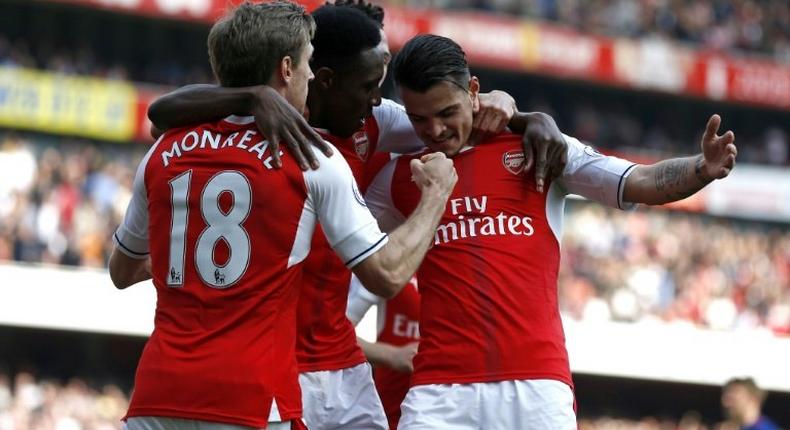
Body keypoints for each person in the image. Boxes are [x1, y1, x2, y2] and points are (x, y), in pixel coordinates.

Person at [145, 3, 567, 429]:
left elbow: (458, 117)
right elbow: (160, 112)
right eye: (368, 84)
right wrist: (251, 98)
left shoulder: (374, 122)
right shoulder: (268, 131)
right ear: (323, 78)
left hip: (341, 363)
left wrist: (526, 115)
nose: (377, 98)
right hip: (281, 366)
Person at [107, 4, 457, 429]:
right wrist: (436, 193)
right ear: (290, 69)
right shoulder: (311, 158)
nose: (313, 76)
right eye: (309, 63)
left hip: (160, 392)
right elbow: (386, 273)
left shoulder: (164, 149)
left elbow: (122, 270)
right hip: (255, 393)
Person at [365, 34, 738, 429]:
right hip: (438, 392)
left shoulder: (542, 147)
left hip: (538, 385)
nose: (435, 129)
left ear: (474, 90)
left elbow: (639, 180)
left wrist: (701, 168)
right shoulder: (401, 177)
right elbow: (348, 243)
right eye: (418, 119)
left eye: (446, 112)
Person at [347, 274, 420, 430]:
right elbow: (329, 331)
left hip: (452, 408)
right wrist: (392, 355)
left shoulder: (467, 271)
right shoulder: (392, 267)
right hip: (392, 413)